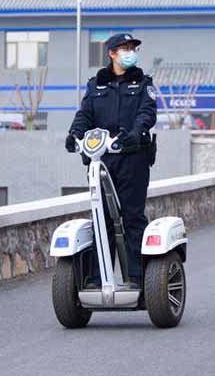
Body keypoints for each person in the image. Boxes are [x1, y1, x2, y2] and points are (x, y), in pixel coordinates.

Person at [66, 33, 157, 288]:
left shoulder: (142, 83)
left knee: (132, 217)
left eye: (133, 48)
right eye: (125, 48)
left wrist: (135, 134)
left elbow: (147, 114)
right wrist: (75, 134)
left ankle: (138, 279)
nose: (130, 52)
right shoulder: (96, 85)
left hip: (132, 159)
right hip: (101, 160)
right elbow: (85, 114)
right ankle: (96, 280)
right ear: (112, 53)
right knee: (101, 218)